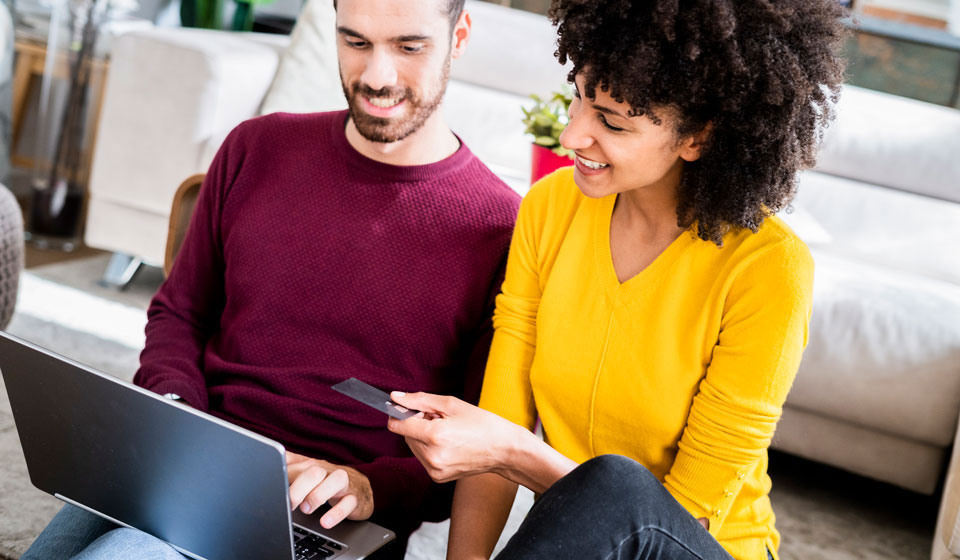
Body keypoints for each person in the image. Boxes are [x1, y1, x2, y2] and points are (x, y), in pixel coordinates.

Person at [20, 0, 519, 558]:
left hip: (329, 512)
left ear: (460, 35)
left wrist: (368, 487)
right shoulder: (256, 148)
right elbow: (180, 313)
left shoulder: (501, 230)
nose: (377, 76)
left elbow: (473, 447)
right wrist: (176, 415)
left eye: (409, 46)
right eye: (355, 42)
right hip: (197, 455)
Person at [387, 1, 847, 559]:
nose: (572, 133)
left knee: (617, 483)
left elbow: (673, 522)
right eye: (580, 95)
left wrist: (510, 451)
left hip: (691, 546)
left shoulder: (769, 269)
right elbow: (501, 418)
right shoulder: (551, 209)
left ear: (697, 138)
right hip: (579, 545)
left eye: (611, 121)